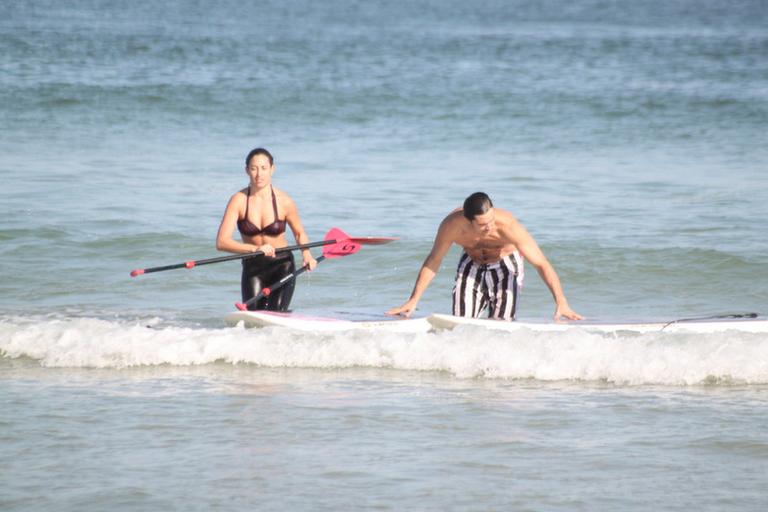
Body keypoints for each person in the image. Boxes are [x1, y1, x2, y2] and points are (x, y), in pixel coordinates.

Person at [387, 192, 582, 321]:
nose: (489, 226)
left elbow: (541, 263)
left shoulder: (507, 226)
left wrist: (561, 301)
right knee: (460, 324)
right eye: (482, 224)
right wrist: (413, 299)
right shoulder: (451, 227)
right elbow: (434, 261)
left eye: (491, 220)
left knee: (501, 324)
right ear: (467, 220)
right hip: (471, 264)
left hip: (506, 265)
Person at [216, 147, 317, 311]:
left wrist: (307, 254)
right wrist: (255, 248)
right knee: (253, 317)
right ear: (247, 170)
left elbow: (299, 233)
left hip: (282, 264)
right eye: (254, 168)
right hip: (253, 266)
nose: (259, 174)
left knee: (277, 314)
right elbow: (222, 242)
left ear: (272, 169)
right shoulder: (238, 200)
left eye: (264, 168)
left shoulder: (284, 201)